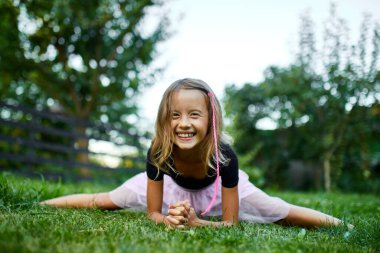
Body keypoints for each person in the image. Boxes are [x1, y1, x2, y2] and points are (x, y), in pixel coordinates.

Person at [41, 78, 351, 229]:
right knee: (106, 200)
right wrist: (166, 220)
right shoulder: (158, 151)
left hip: (217, 192)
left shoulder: (224, 155)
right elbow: (152, 213)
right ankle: (41, 202)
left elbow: (230, 225)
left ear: (212, 119)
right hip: (170, 192)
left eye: (194, 115)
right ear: (165, 119)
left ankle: (344, 227)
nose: (184, 124)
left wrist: (196, 224)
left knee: (279, 211)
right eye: (175, 115)